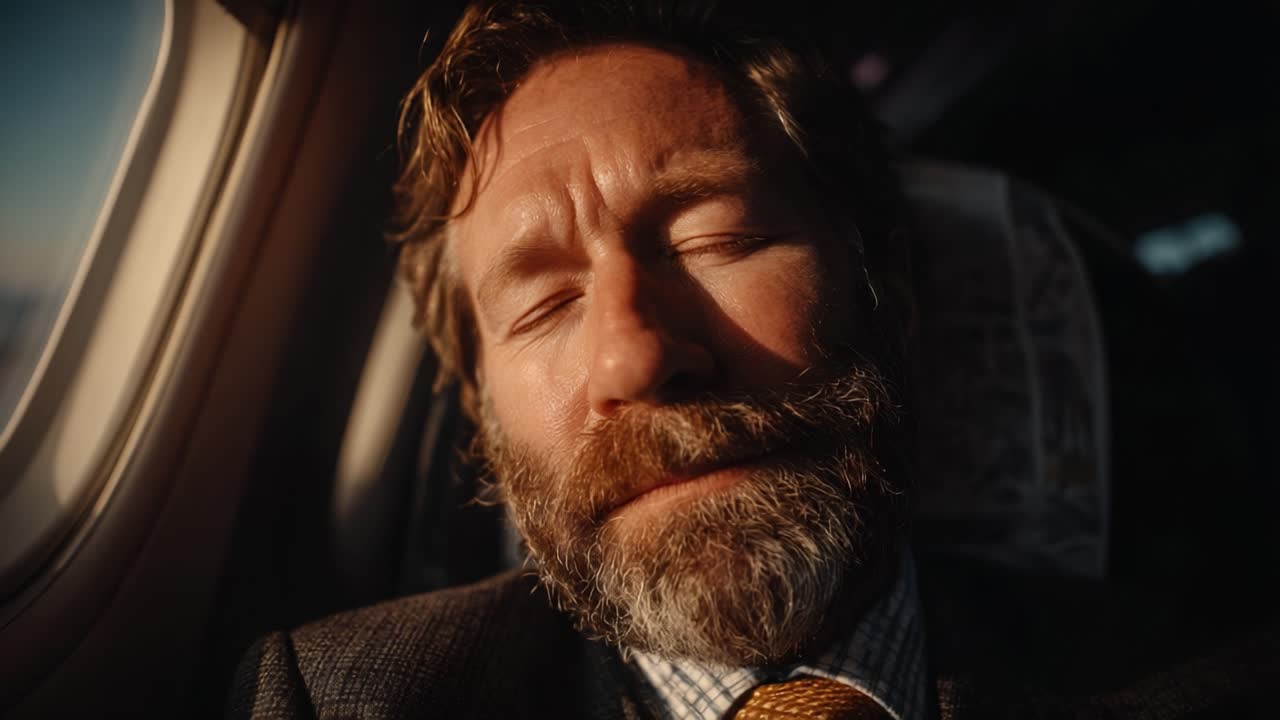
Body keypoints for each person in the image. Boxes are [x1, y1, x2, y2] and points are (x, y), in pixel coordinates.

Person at [229, 2, 1273, 718]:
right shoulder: (338, 701)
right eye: (543, 301)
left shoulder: (1205, 675)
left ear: (887, 294)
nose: (634, 353)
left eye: (712, 240)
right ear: (482, 420)